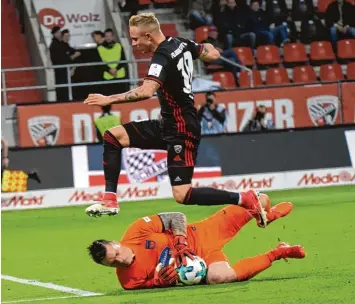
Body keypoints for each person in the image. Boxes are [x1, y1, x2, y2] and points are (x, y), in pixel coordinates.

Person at [83, 13, 267, 227]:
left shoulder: (162, 56)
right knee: (113, 136)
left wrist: (109, 99)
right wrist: (204, 51)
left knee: (182, 194)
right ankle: (110, 199)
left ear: (149, 36)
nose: (133, 44)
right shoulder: (180, 43)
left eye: (135, 39)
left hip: (182, 129)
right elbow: (212, 53)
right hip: (168, 125)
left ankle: (244, 198)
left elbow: (146, 91)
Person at [87, 194, 305, 289]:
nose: (119, 261)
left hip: (203, 233)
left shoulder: (137, 231)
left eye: (116, 254)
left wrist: (180, 240)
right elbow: (156, 285)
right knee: (220, 277)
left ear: (116, 243)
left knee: (260, 200)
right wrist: (160, 284)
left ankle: (267, 217)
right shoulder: (128, 281)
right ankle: (279, 252)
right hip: (201, 262)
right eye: (113, 263)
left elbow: (177, 216)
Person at [97, 28, 128, 95]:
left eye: (110, 36)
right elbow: (100, 63)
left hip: (120, 76)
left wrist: (115, 69)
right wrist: (109, 70)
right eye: (106, 36)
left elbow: (123, 60)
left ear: (113, 37)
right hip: (108, 77)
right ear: (104, 37)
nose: (108, 38)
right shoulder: (99, 48)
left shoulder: (119, 46)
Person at [49, 26, 71, 101]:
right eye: (58, 32)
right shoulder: (55, 45)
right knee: (62, 87)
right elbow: (61, 58)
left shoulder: (60, 43)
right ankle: (63, 100)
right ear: (54, 34)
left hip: (62, 69)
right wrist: (70, 57)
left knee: (64, 86)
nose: (59, 34)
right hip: (60, 69)